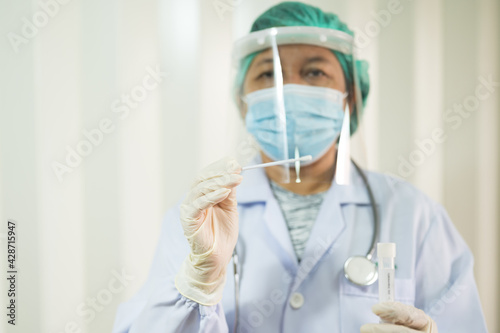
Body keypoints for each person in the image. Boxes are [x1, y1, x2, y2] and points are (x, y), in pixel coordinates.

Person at [112, 2, 487, 332]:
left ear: (350, 99)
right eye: (267, 74)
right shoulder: (199, 219)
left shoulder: (415, 215)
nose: (285, 91)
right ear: (244, 103)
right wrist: (197, 284)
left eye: (313, 72)